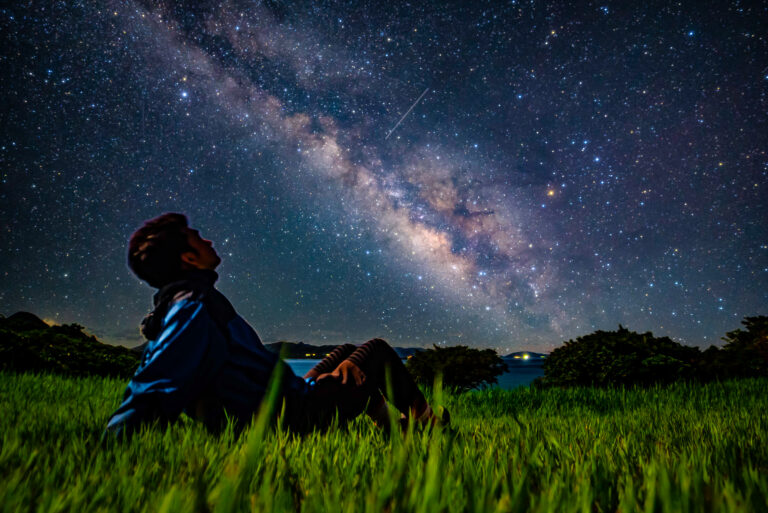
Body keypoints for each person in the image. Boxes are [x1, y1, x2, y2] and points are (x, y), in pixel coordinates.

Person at [105, 213, 447, 438]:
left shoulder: (185, 306)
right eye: (198, 238)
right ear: (189, 258)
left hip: (283, 400)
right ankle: (428, 425)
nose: (208, 241)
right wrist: (114, 443)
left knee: (345, 353)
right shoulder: (193, 308)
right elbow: (155, 383)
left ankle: (393, 430)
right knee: (377, 352)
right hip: (290, 419)